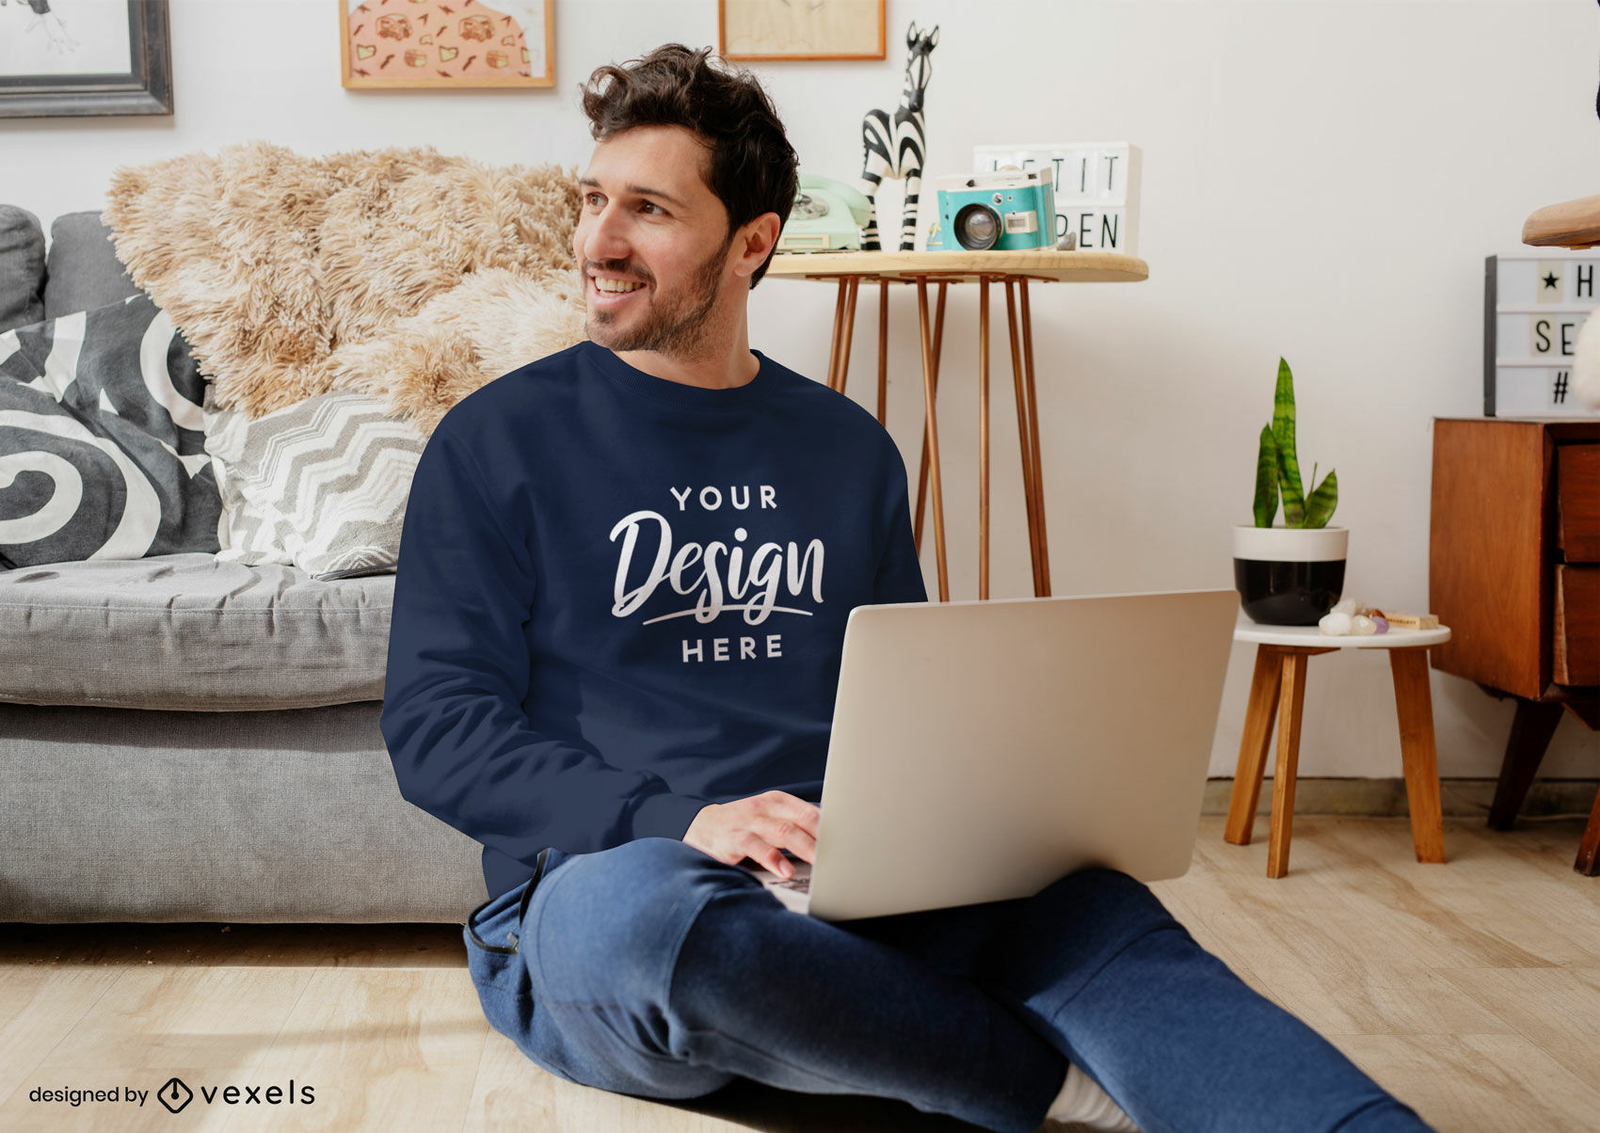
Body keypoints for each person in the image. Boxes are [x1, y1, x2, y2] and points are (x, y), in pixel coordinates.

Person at [379, 43, 1436, 1133]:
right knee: (658, 927)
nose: (598, 240)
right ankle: (1054, 1086)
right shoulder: (495, 441)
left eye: (647, 209)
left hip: (854, 879)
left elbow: (910, 698)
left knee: (1092, 914)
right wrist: (679, 818)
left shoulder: (845, 448)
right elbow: (437, 726)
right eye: (594, 199)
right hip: (609, 887)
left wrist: (980, 817)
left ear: (752, 244)